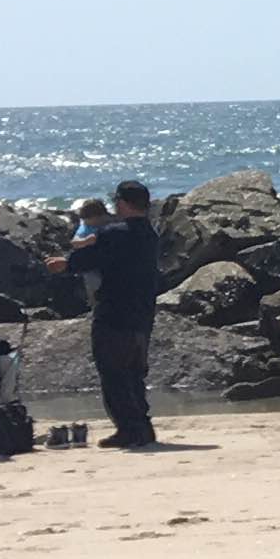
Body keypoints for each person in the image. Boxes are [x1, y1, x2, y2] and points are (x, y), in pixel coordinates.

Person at [57, 181, 165, 448]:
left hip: (114, 311)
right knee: (134, 372)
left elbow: (89, 259)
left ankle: (129, 429)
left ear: (123, 203)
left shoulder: (115, 233)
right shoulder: (150, 233)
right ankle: (142, 426)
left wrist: (65, 264)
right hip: (142, 311)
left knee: (113, 372)